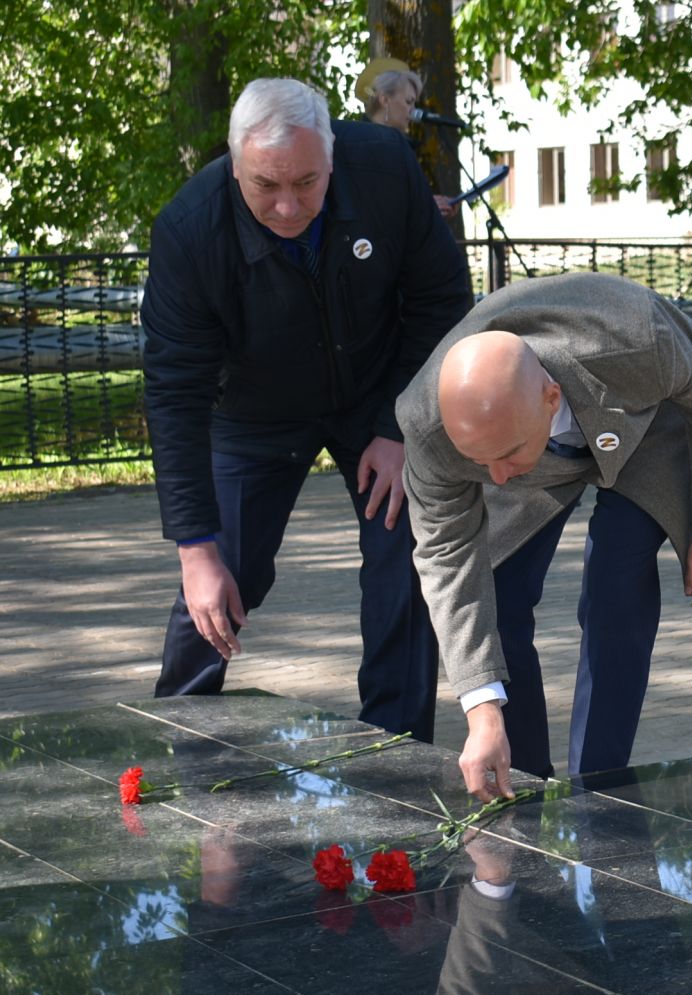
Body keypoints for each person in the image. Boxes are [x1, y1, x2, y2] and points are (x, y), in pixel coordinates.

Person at [142, 78, 471, 739]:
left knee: (406, 552)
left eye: (307, 183)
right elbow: (175, 394)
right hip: (255, 412)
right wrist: (193, 549)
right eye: (266, 185)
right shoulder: (189, 230)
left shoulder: (383, 167)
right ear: (235, 165)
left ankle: (395, 747)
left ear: (332, 157)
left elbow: (441, 301)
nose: (289, 206)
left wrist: (397, 427)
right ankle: (175, 741)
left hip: (379, 392)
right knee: (219, 573)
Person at [396, 273, 692, 796]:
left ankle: (600, 785)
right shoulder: (431, 428)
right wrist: (481, 709)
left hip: (644, 429)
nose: (494, 478)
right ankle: (521, 780)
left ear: (550, 397)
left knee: (616, 583)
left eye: (505, 456)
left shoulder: (639, 339)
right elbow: (448, 560)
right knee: (498, 594)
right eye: (481, 462)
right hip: (536, 462)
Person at [360, 62, 459, 220]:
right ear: (384, 100)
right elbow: (374, 203)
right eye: (408, 102)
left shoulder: (400, 145)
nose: (414, 110)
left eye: (414, 103)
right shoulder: (362, 145)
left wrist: (433, 206)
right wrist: (426, 206)